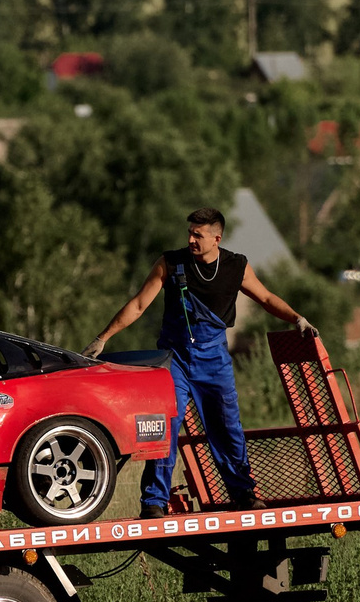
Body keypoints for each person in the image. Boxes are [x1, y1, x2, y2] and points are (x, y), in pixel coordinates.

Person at [86, 206, 311, 513]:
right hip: (174, 359)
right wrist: (104, 336)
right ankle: (154, 501)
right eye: (189, 232)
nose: (191, 239)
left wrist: (297, 319)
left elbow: (267, 298)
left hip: (214, 360)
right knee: (165, 424)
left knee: (227, 427)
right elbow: (138, 304)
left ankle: (243, 494)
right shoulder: (170, 262)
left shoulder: (236, 267)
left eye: (198, 234)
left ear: (216, 238)